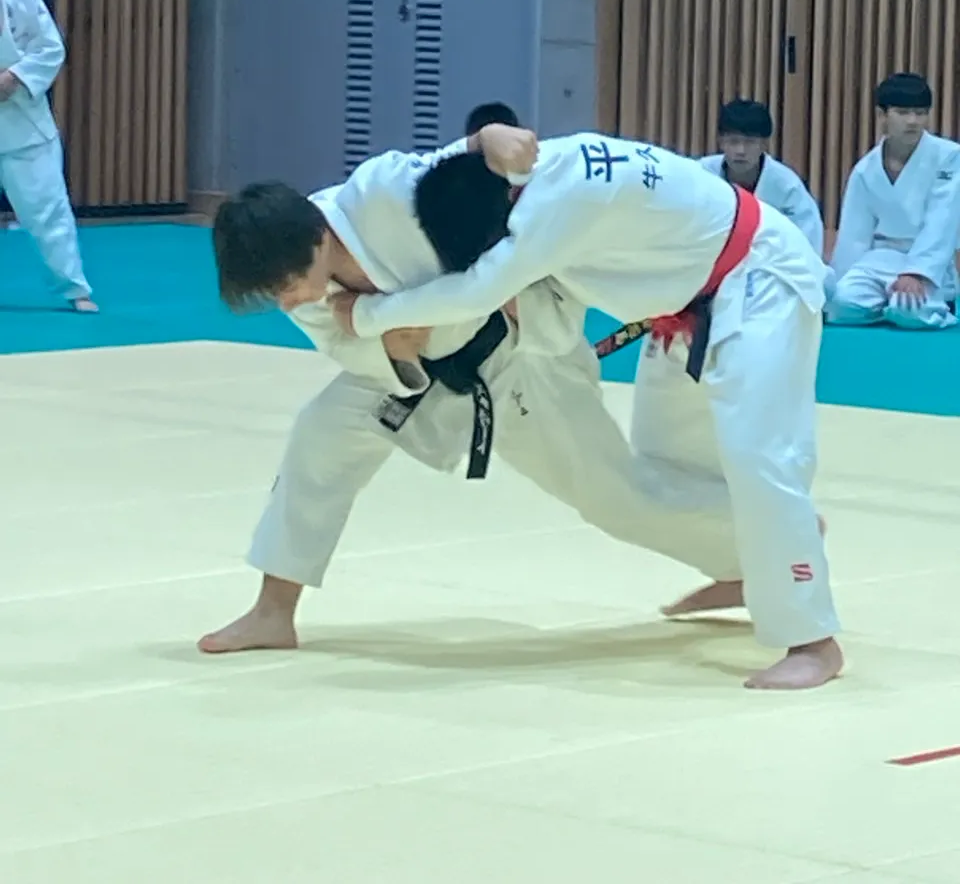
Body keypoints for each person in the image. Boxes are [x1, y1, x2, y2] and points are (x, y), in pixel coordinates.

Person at [197, 128, 752, 670]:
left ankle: (756, 554)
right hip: (415, 372)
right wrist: (390, 346)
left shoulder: (380, 192)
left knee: (615, 498)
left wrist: (484, 138)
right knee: (321, 434)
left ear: (317, 239)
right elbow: (348, 347)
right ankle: (273, 611)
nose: (288, 302)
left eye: (287, 285)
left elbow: (453, 168)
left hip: (518, 359)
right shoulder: (301, 283)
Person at [332, 134, 843, 691]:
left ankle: (813, 640)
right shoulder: (513, 174)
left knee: (759, 455)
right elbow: (436, 176)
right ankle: (746, 565)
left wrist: (364, 314)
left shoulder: (551, 205)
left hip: (759, 278)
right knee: (667, 458)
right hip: (688, 300)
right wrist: (482, 136)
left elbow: (476, 291)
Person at [827, 73, 960, 330]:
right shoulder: (866, 169)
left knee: (908, 309)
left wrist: (917, 272)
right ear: (882, 115)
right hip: (879, 260)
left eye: (920, 113)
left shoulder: (950, 157)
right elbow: (854, 235)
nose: (913, 121)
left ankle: (919, 303)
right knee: (840, 304)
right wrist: (842, 280)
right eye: (903, 112)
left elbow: (942, 221)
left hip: (927, 263)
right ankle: (887, 303)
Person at [0, 0, 96, 312]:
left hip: (23, 125)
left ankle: (74, 288)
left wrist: (15, 77)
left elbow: (50, 47)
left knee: (47, 211)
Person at [700, 98, 824, 256]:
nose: (740, 150)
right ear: (721, 142)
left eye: (750, 142)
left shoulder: (787, 186)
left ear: (764, 144)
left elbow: (809, 244)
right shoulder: (701, 173)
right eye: (733, 141)